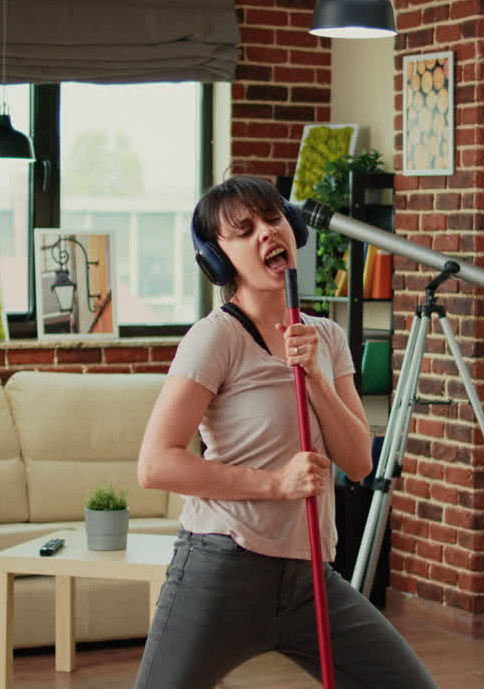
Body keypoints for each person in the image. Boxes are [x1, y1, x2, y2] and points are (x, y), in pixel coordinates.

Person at [134, 176, 438, 688]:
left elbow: (359, 462)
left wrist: (314, 374)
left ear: (293, 229)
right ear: (217, 259)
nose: (266, 234)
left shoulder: (327, 336)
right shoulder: (216, 338)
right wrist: (275, 484)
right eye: (243, 230)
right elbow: (156, 464)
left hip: (307, 576)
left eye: (273, 219)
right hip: (222, 572)